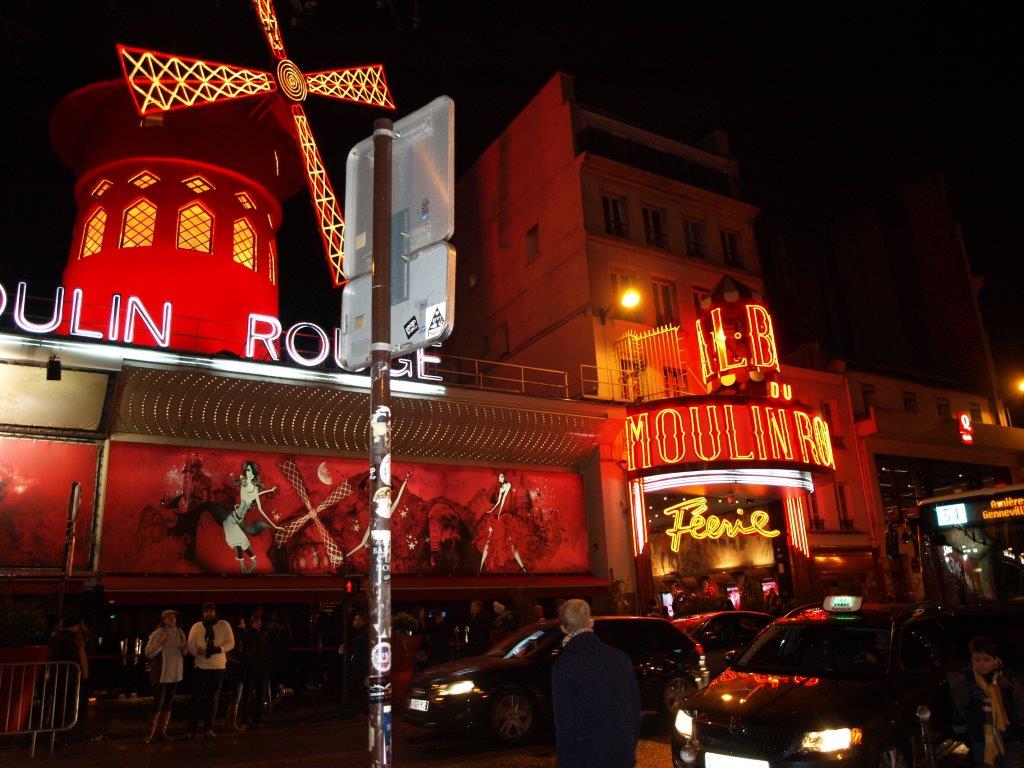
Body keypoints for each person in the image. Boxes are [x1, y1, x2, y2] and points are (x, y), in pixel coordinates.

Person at [551, 599, 641, 768]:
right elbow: (634, 709)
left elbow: (565, 725)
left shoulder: (563, 667)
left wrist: (565, 762)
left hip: (586, 756)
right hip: (621, 752)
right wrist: (629, 745)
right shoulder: (620, 658)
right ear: (591, 622)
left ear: (563, 629)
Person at [951, 636, 1024, 768]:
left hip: (1010, 738)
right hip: (982, 740)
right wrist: (976, 728)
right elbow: (962, 710)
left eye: (986, 659)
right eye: (977, 659)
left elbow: (1019, 705)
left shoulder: (1006, 679)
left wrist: (1017, 728)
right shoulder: (965, 681)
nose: (981, 664)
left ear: (996, 660)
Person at [185, 602, 235, 738]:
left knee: (213, 698)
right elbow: (190, 646)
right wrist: (198, 651)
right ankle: (191, 729)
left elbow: (231, 643)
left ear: (215, 611)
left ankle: (209, 728)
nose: (208, 613)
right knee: (197, 698)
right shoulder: (197, 626)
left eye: (211, 610)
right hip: (201, 666)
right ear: (203, 613)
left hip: (218, 666)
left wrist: (219, 649)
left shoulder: (224, 625)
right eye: (206, 611)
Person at [224, 461, 280, 573]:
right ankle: (245, 565)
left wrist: (274, 526)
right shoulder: (244, 482)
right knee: (238, 541)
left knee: (240, 541)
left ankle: (250, 563)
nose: (249, 473)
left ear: (255, 473)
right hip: (232, 519)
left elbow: (260, 507)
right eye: (248, 470)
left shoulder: (255, 490)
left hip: (237, 519)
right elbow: (236, 481)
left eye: (252, 471)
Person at [144, 609, 187, 743]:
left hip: (175, 673)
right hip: (162, 673)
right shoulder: (158, 633)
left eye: (174, 618)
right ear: (163, 620)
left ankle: (162, 732)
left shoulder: (180, 632)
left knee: (168, 702)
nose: (172, 620)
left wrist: (184, 649)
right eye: (169, 618)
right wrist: (161, 643)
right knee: (158, 702)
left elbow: (185, 651)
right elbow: (148, 653)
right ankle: (150, 733)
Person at [50, 616, 94, 741]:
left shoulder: (61, 638)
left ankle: (60, 733)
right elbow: (76, 659)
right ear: (77, 626)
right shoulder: (70, 640)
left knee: (64, 706)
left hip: (66, 678)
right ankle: (64, 733)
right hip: (70, 679)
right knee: (69, 706)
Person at [240, 613, 273, 728]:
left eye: (259, 622)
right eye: (257, 622)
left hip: (257, 668)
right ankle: (249, 719)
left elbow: (267, 652)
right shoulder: (254, 635)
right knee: (251, 695)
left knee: (255, 695)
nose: (259, 624)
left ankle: (253, 719)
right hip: (253, 668)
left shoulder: (258, 635)